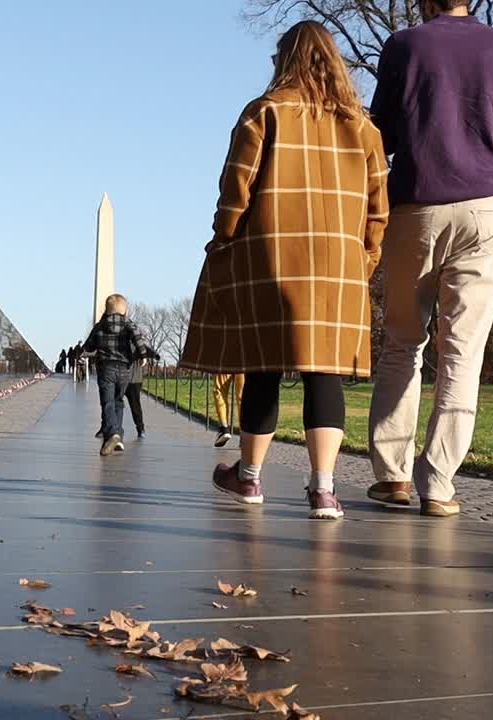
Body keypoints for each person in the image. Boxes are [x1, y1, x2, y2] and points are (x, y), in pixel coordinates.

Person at [180, 21, 389, 520]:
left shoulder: (263, 112)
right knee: (325, 374)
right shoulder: (362, 126)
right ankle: (323, 489)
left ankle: (249, 479)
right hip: (337, 264)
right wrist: (364, 258)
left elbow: (237, 189)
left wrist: (224, 239)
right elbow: (378, 208)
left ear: (284, 61)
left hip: (270, 258)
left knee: (263, 368)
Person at [366, 0, 493, 518]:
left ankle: (392, 474)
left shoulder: (404, 46)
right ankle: (438, 483)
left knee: (402, 341)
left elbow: (382, 138)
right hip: (487, 209)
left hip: (416, 206)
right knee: (463, 352)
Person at [84, 293, 157, 457]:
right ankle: (118, 436)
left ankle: (114, 433)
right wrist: (143, 356)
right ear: (125, 311)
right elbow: (138, 339)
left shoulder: (99, 326)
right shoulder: (129, 324)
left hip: (106, 368)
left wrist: (88, 350)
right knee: (119, 401)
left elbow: (89, 346)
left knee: (107, 402)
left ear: (106, 310)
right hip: (125, 369)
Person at [211, 374, 245, 447]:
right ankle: (245, 434)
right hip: (242, 364)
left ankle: (224, 429)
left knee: (219, 390)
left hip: (223, 363)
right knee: (242, 396)